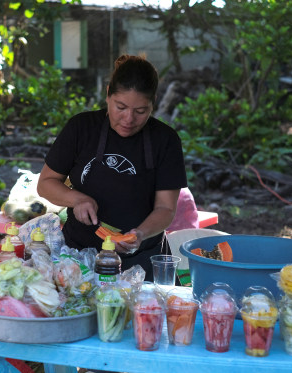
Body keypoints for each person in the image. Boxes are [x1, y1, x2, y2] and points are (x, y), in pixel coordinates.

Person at [37, 54, 187, 280]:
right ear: (108, 94)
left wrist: (140, 234)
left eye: (140, 111)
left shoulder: (165, 140)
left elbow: (166, 209)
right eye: (121, 107)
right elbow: (46, 184)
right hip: (80, 258)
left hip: (143, 258)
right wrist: (77, 199)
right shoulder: (81, 128)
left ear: (153, 103)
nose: (129, 119)